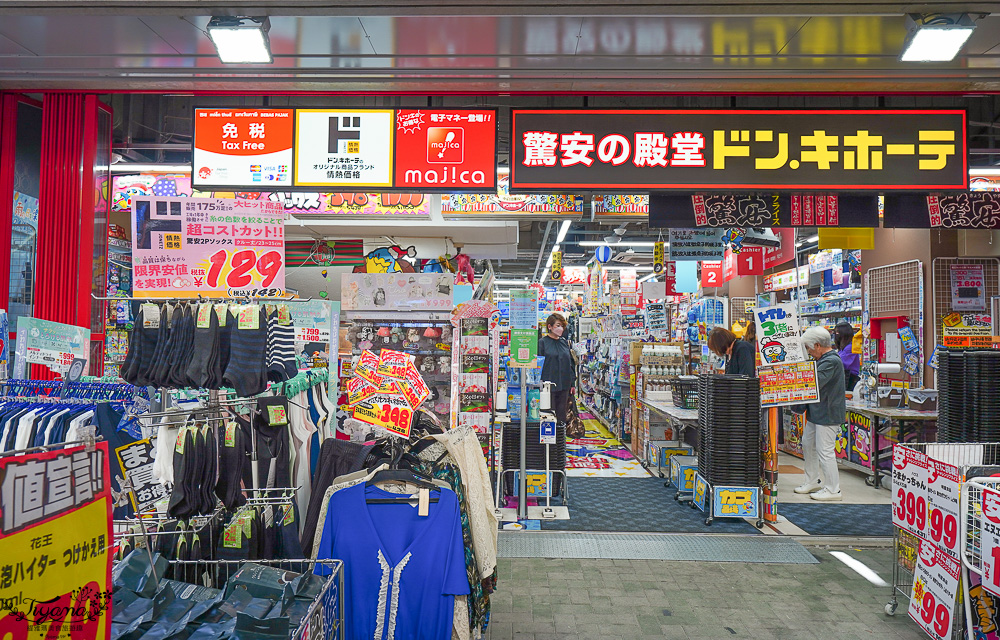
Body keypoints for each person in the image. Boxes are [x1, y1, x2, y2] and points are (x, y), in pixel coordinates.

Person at [794, 326, 847, 502]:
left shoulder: (831, 361)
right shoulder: (824, 359)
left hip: (828, 413)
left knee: (825, 451)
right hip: (817, 412)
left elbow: (814, 382)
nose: (808, 352)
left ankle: (833, 489)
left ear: (817, 345)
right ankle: (811, 480)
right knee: (808, 445)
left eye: (808, 348)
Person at [538, 313, 576, 425]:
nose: (561, 328)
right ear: (549, 326)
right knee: (548, 415)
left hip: (564, 385)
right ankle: (548, 441)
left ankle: (560, 440)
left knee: (561, 416)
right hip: (547, 386)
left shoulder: (564, 342)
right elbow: (538, 364)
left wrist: (572, 383)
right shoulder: (542, 343)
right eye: (558, 325)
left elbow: (570, 363)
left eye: (562, 326)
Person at [834, 322, 861, 392]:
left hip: (850, 379)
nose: (836, 335)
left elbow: (842, 363)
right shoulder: (843, 348)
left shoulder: (850, 348)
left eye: (837, 333)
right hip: (845, 377)